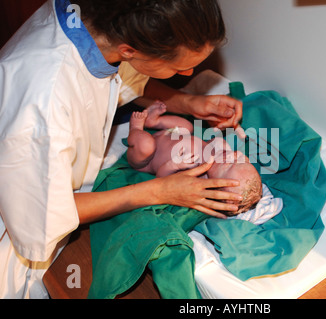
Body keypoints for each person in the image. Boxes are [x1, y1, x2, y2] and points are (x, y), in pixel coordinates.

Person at [0, 0, 243, 298]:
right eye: (179, 67)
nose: (190, 72)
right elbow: (43, 216)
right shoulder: (43, 106)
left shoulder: (93, 23)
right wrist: (160, 191)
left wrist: (187, 102)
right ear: (130, 49)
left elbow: (122, 78)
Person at [127, 100, 263, 215]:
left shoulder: (195, 177)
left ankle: (136, 128)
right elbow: (211, 142)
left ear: (214, 185)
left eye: (228, 164)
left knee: (146, 145)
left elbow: (161, 179)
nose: (234, 155)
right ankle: (154, 122)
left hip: (146, 158)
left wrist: (174, 165)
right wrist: (218, 143)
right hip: (169, 134)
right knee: (187, 127)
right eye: (242, 159)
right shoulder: (220, 154)